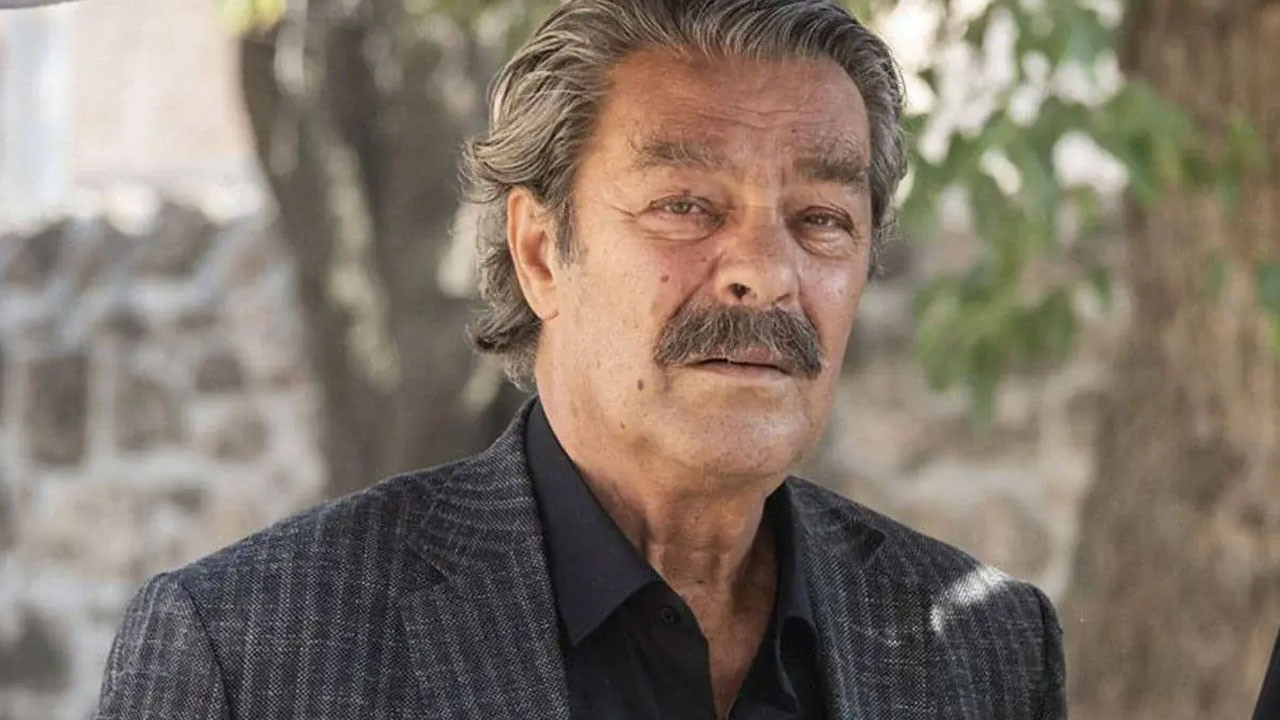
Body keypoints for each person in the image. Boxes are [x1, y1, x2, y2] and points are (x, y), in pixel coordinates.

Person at [94, 1, 1065, 718]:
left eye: (821, 219)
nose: (766, 273)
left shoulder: (987, 649)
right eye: (685, 206)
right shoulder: (247, 650)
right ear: (539, 252)